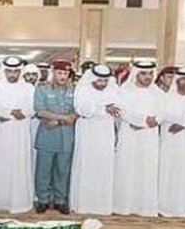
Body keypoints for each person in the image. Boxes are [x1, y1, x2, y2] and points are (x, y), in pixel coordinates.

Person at [113, 60, 163, 217]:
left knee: (147, 168)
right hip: (129, 133)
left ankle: (145, 207)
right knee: (127, 167)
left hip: (149, 136)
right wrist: (140, 121)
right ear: (136, 74)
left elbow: (162, 112)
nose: (148, 77)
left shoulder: (158, 93)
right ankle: (123, 206)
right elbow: (121, 112)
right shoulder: (124, 91)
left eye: (150, 74)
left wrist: (153, 121)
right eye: (143, 73)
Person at [0, 56, 35, 213]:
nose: (12, 74)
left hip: (21, 132)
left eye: (15, 71)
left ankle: (19, 202)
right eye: (9, 71)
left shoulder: (28, 88)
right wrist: (9, 113)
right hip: (1, 131)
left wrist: (23, 112)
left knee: (19, 163)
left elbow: (33, 108)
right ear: (5, 71)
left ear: (20, 72)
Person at [70, 64, 119, 215]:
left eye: (105, 81)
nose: (102, 84)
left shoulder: (113, 89)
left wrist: (99, 108)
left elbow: (117, 108)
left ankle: (102, 205)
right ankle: (83, 205)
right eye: (99, 81)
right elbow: (83, 110)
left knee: (104, 167)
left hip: (106, 133)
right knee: (86, 166)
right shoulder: (83, 89)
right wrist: (104, 108)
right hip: (87, 133)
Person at [158, 65, 185, 218]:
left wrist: (184, 124)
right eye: (183, 79)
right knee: (170, 171)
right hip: (171, 142)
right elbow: (163, 115)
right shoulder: (166, 98)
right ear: (177, 80)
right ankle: (166, 206)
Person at [34, 60, 77, 214]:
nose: (62, 76)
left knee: (63, 171)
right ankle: (43, 200)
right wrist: (63, 118)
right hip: (47, 136)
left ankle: (60, 201)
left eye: (65, 73)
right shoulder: (42, 89)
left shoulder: (74, 90)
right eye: (59, 73)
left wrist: (58, 120)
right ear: (53, 73)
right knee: (43, 171)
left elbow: (77, 111)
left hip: (66, 137)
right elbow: (40, 110)